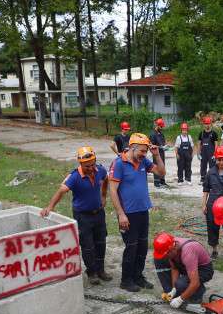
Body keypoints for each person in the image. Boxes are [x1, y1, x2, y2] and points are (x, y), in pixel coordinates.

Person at [40, 146, 111, 285]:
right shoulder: (74, 177)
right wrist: (50, 207)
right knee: (87, 245)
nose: (90, 168)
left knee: (101, 242)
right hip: (82, 216)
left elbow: (106, 179)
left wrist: (103, 195)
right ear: (80, 163)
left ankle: (101, 270)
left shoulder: (100, 170)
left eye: (92, 164)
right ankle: (91, 272)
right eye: (87, 166)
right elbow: (61, 191)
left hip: (98, 213)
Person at [109, 133, 167, 292]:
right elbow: (112, 191)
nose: (144, 154)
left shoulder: (143, 161)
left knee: (142, 247)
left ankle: (138, 276)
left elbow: (161, 173)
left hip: (143, 211)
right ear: (132, 148)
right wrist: (121, 214)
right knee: (131, 247)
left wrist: (157, 155)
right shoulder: (119, 163)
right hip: (128, 214)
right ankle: (126, 280)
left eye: (146, 151)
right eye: (142, 151)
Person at [154, 232, 214, 308]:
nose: (166, 257)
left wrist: (180, 299)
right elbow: (175, 268)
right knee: (177, 284)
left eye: (166, 255)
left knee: (181, 284)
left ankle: (197, 295)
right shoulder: (172, 246)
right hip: (188, 266)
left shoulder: (188, 252)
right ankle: (182, 291)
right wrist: (174, 290)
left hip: (204, 269)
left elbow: (195, 283)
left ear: (172, 249)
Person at [197, 116, 219, 183]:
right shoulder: (201, 134)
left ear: (211, 124)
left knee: (212, 166)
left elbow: (216, 144)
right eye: (206, 124)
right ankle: (203, 178)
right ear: (204, 124)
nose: (207, 125)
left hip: (211, 153)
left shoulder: (214, 134)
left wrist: (215, 154)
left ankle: (212, 179)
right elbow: (199, 144)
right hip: (203, 153)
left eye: (208, 123)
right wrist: (198, 153)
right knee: (203, 166)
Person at [150, 118, 168, 189]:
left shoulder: (161, 134)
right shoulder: (153, 134)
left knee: (162, 166)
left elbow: (163, 142)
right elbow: (151, 145)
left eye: (162, 127)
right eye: (161, 126)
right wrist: (160, 147)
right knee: (157, 166)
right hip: (156, 153)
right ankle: (157, 182)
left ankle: (162, 181)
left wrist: (165, 146)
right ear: (157, 125)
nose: (162, 128)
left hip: (162, 153)